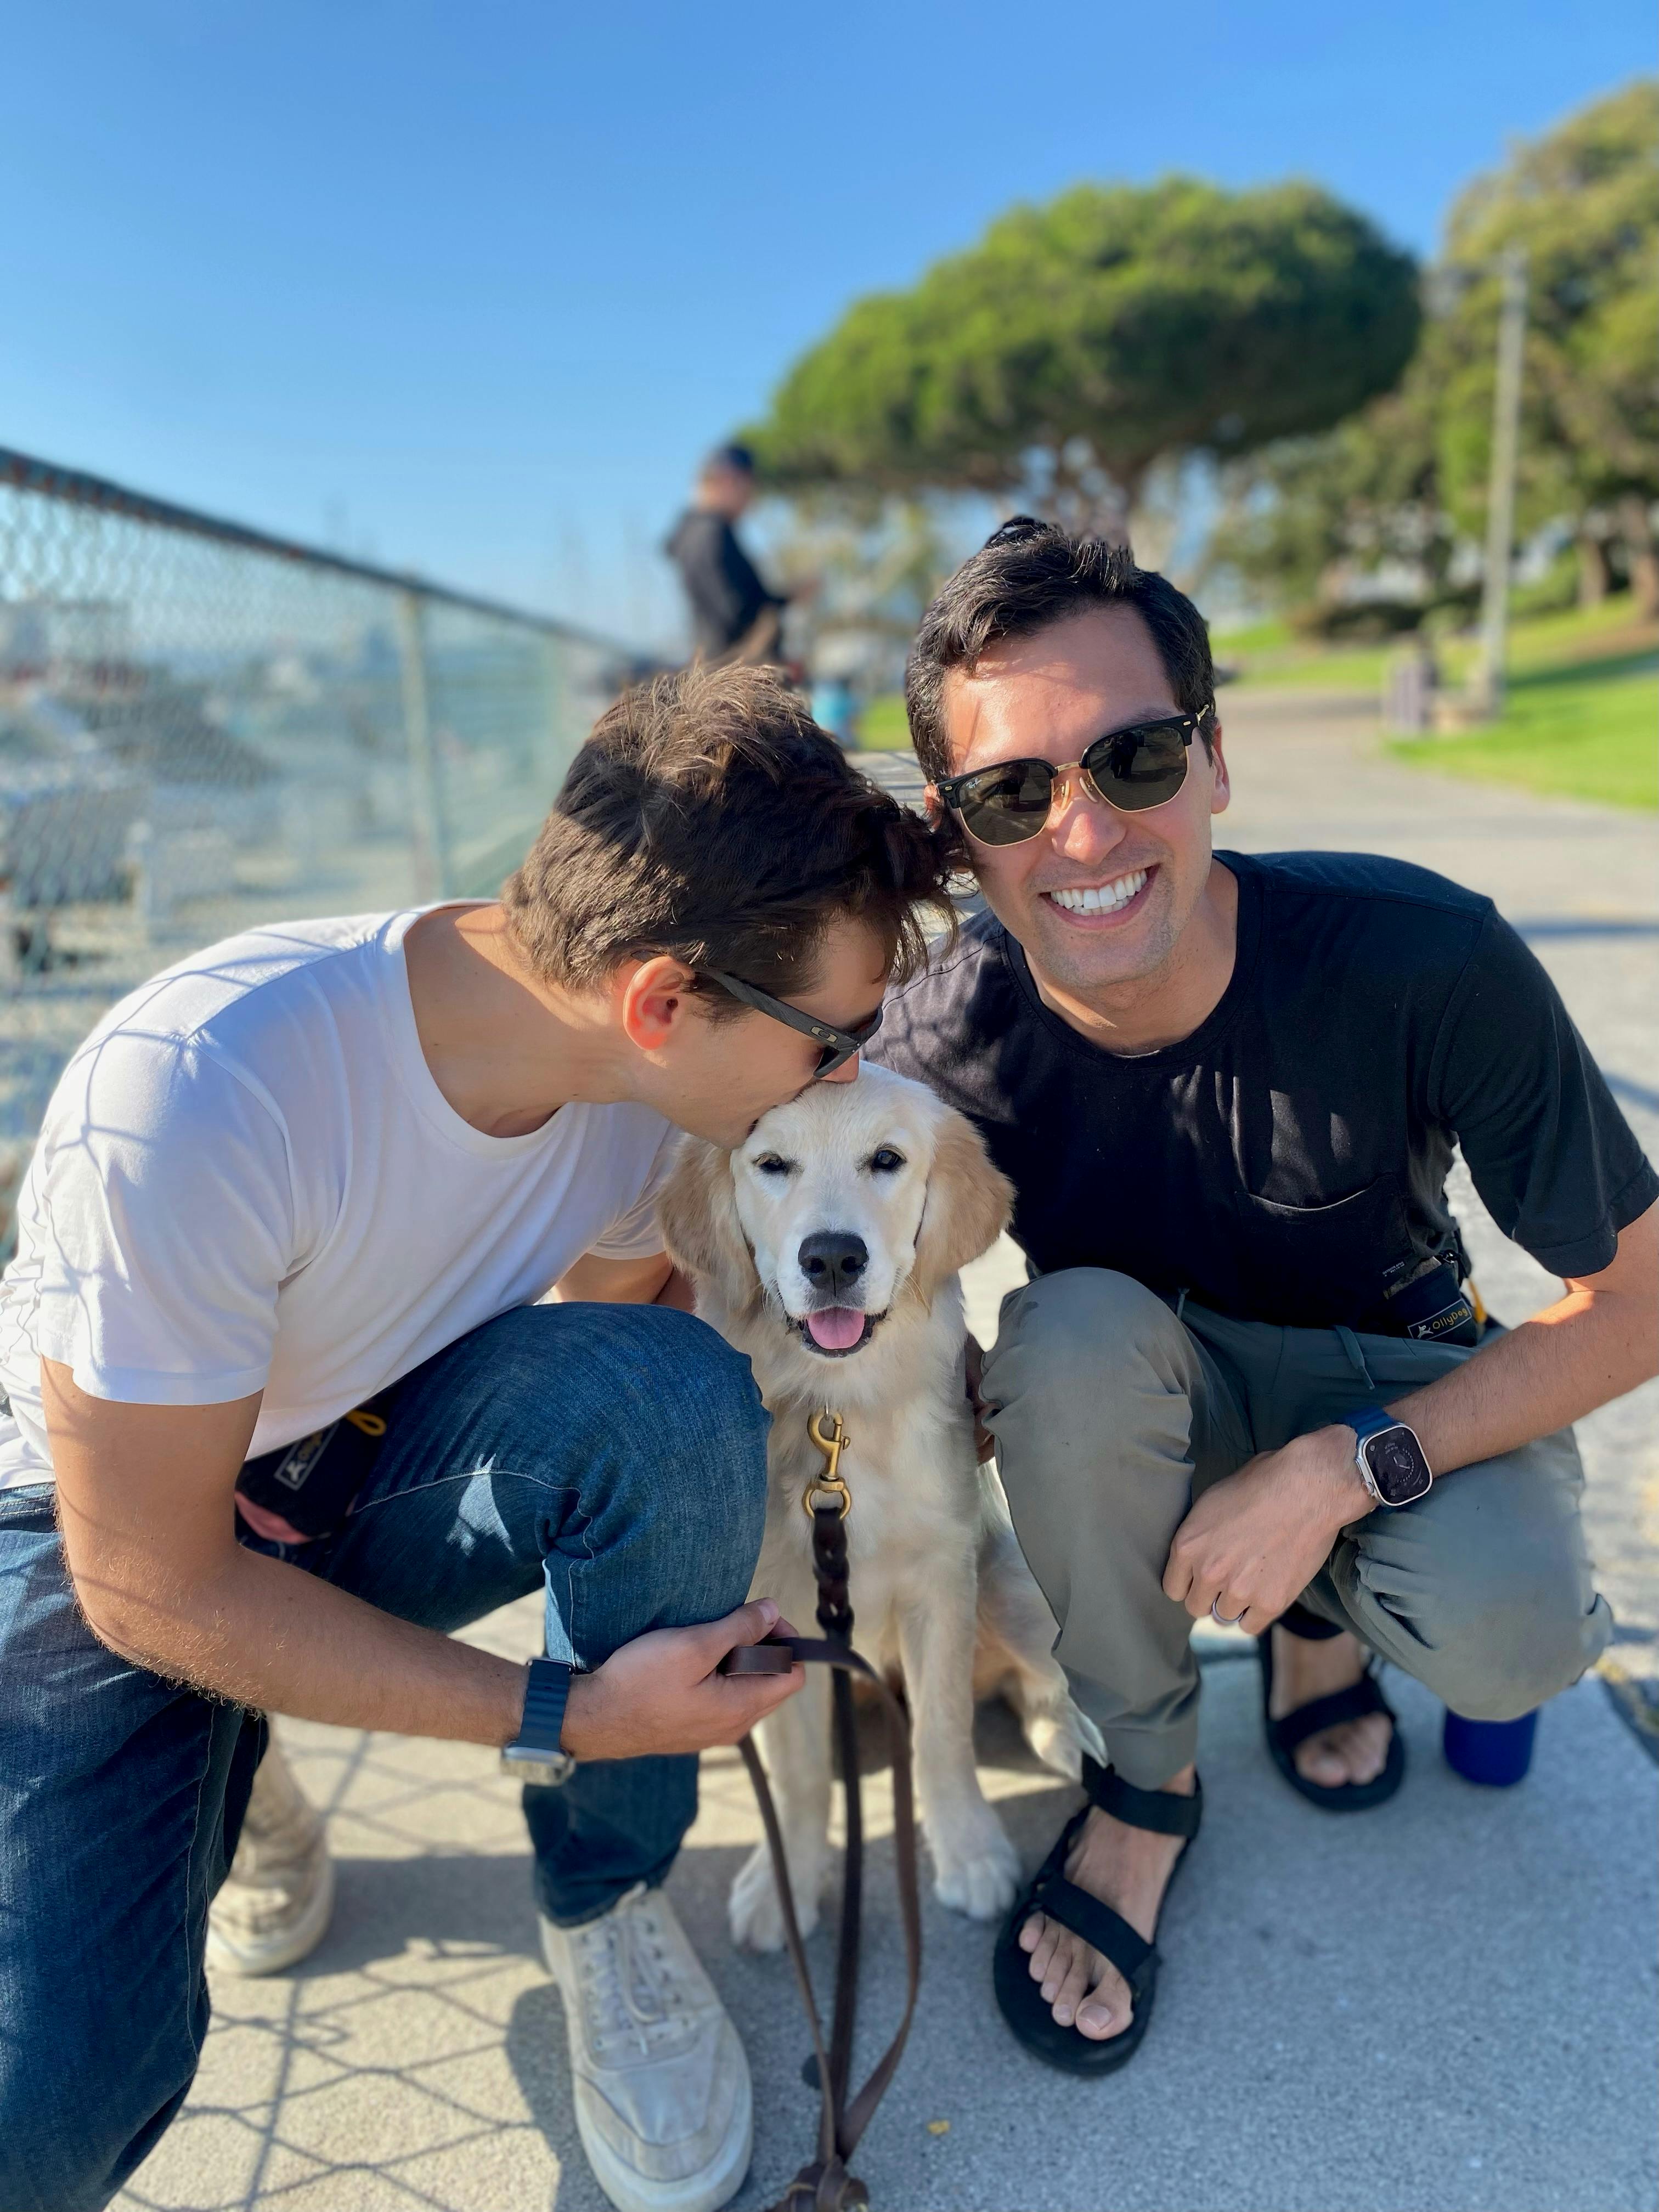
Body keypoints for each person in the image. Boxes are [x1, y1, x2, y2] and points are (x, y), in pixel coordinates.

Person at [0, 664, 951, 2212]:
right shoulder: (200, 1091)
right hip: (107, 1533)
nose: (840, 1076)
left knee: (667, 1388)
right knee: (45, 2112)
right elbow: (149, 1583)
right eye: (830, 1041)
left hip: (357, 1453)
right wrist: (568, 1711)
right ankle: (229, 1767)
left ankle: (607, 1896)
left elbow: (600, 1367)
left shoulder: (652, 1099)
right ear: (663, 1004)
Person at [868, 517, 1658, 2075]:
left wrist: (1341, 1471)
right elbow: (745, 1144)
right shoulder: (944, 1026)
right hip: (1134, 1383)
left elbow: (1638, 1299)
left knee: (1512, 1640)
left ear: (1217, 760)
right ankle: (1147, 1786)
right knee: (1067, 1342)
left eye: (1136, 759)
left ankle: (1318, 1619)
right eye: (1016, 793)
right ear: (960, 839)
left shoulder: (1419, 956)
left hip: (1386, 1376)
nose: (1083, 836)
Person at [664, 444, 791, 666]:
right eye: (749, 488)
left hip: (716, 670)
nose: (751, 499)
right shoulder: (710, 533)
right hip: (733, 676)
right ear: (728, 481)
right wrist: (787, 600)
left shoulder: (694, 532)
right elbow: (735, 614)